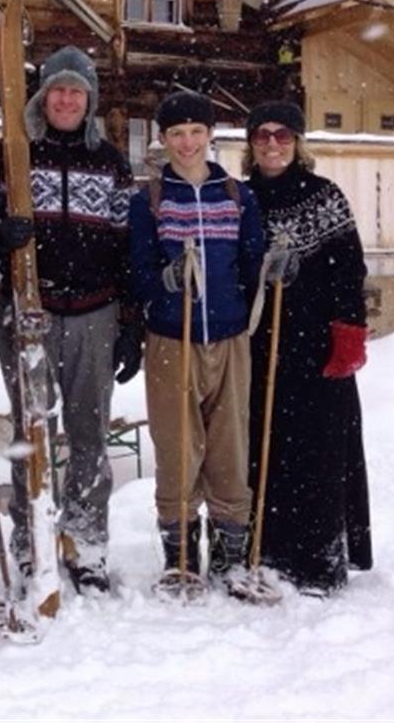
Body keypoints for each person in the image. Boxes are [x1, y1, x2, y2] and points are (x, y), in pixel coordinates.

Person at [0, 46, 141, 595]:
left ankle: (87, 543)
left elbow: (126, 247)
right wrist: (1, 241)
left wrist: (129, 321)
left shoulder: (113, 162)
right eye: (58, 90)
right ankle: (32, 543)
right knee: (34, 433)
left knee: (89, 435)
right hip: (30, 311)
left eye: (77, 91)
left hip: (95, 314)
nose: (67, 99)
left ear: (90, 99)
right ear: (42, 96)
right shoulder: (11, 153)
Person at [128, 91, 265, 593]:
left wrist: (271, 278)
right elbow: (136, 270)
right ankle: (180, 552)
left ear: (210, 136)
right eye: (176, 134)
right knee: (177, 446)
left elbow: (252, 263)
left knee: (230, 444)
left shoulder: (236, 194)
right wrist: (161, 280)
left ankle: (230, 552)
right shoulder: (150, 198)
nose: (187, 142)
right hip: (172, 336)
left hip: (228, 336)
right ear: (163, 141)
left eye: (196, 132)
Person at [242, 101, 372, 596]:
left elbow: (348, 269)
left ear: (297, 143)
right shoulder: (243, 198)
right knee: (263, 449)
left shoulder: (324, 197)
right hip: (259, 343)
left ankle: (318, 559)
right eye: (262, 135)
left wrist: (347, 332)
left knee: (318, 453)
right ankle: (266, 550)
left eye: (282, 135)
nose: (272, 144)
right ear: (251, 145)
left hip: (316, 347)